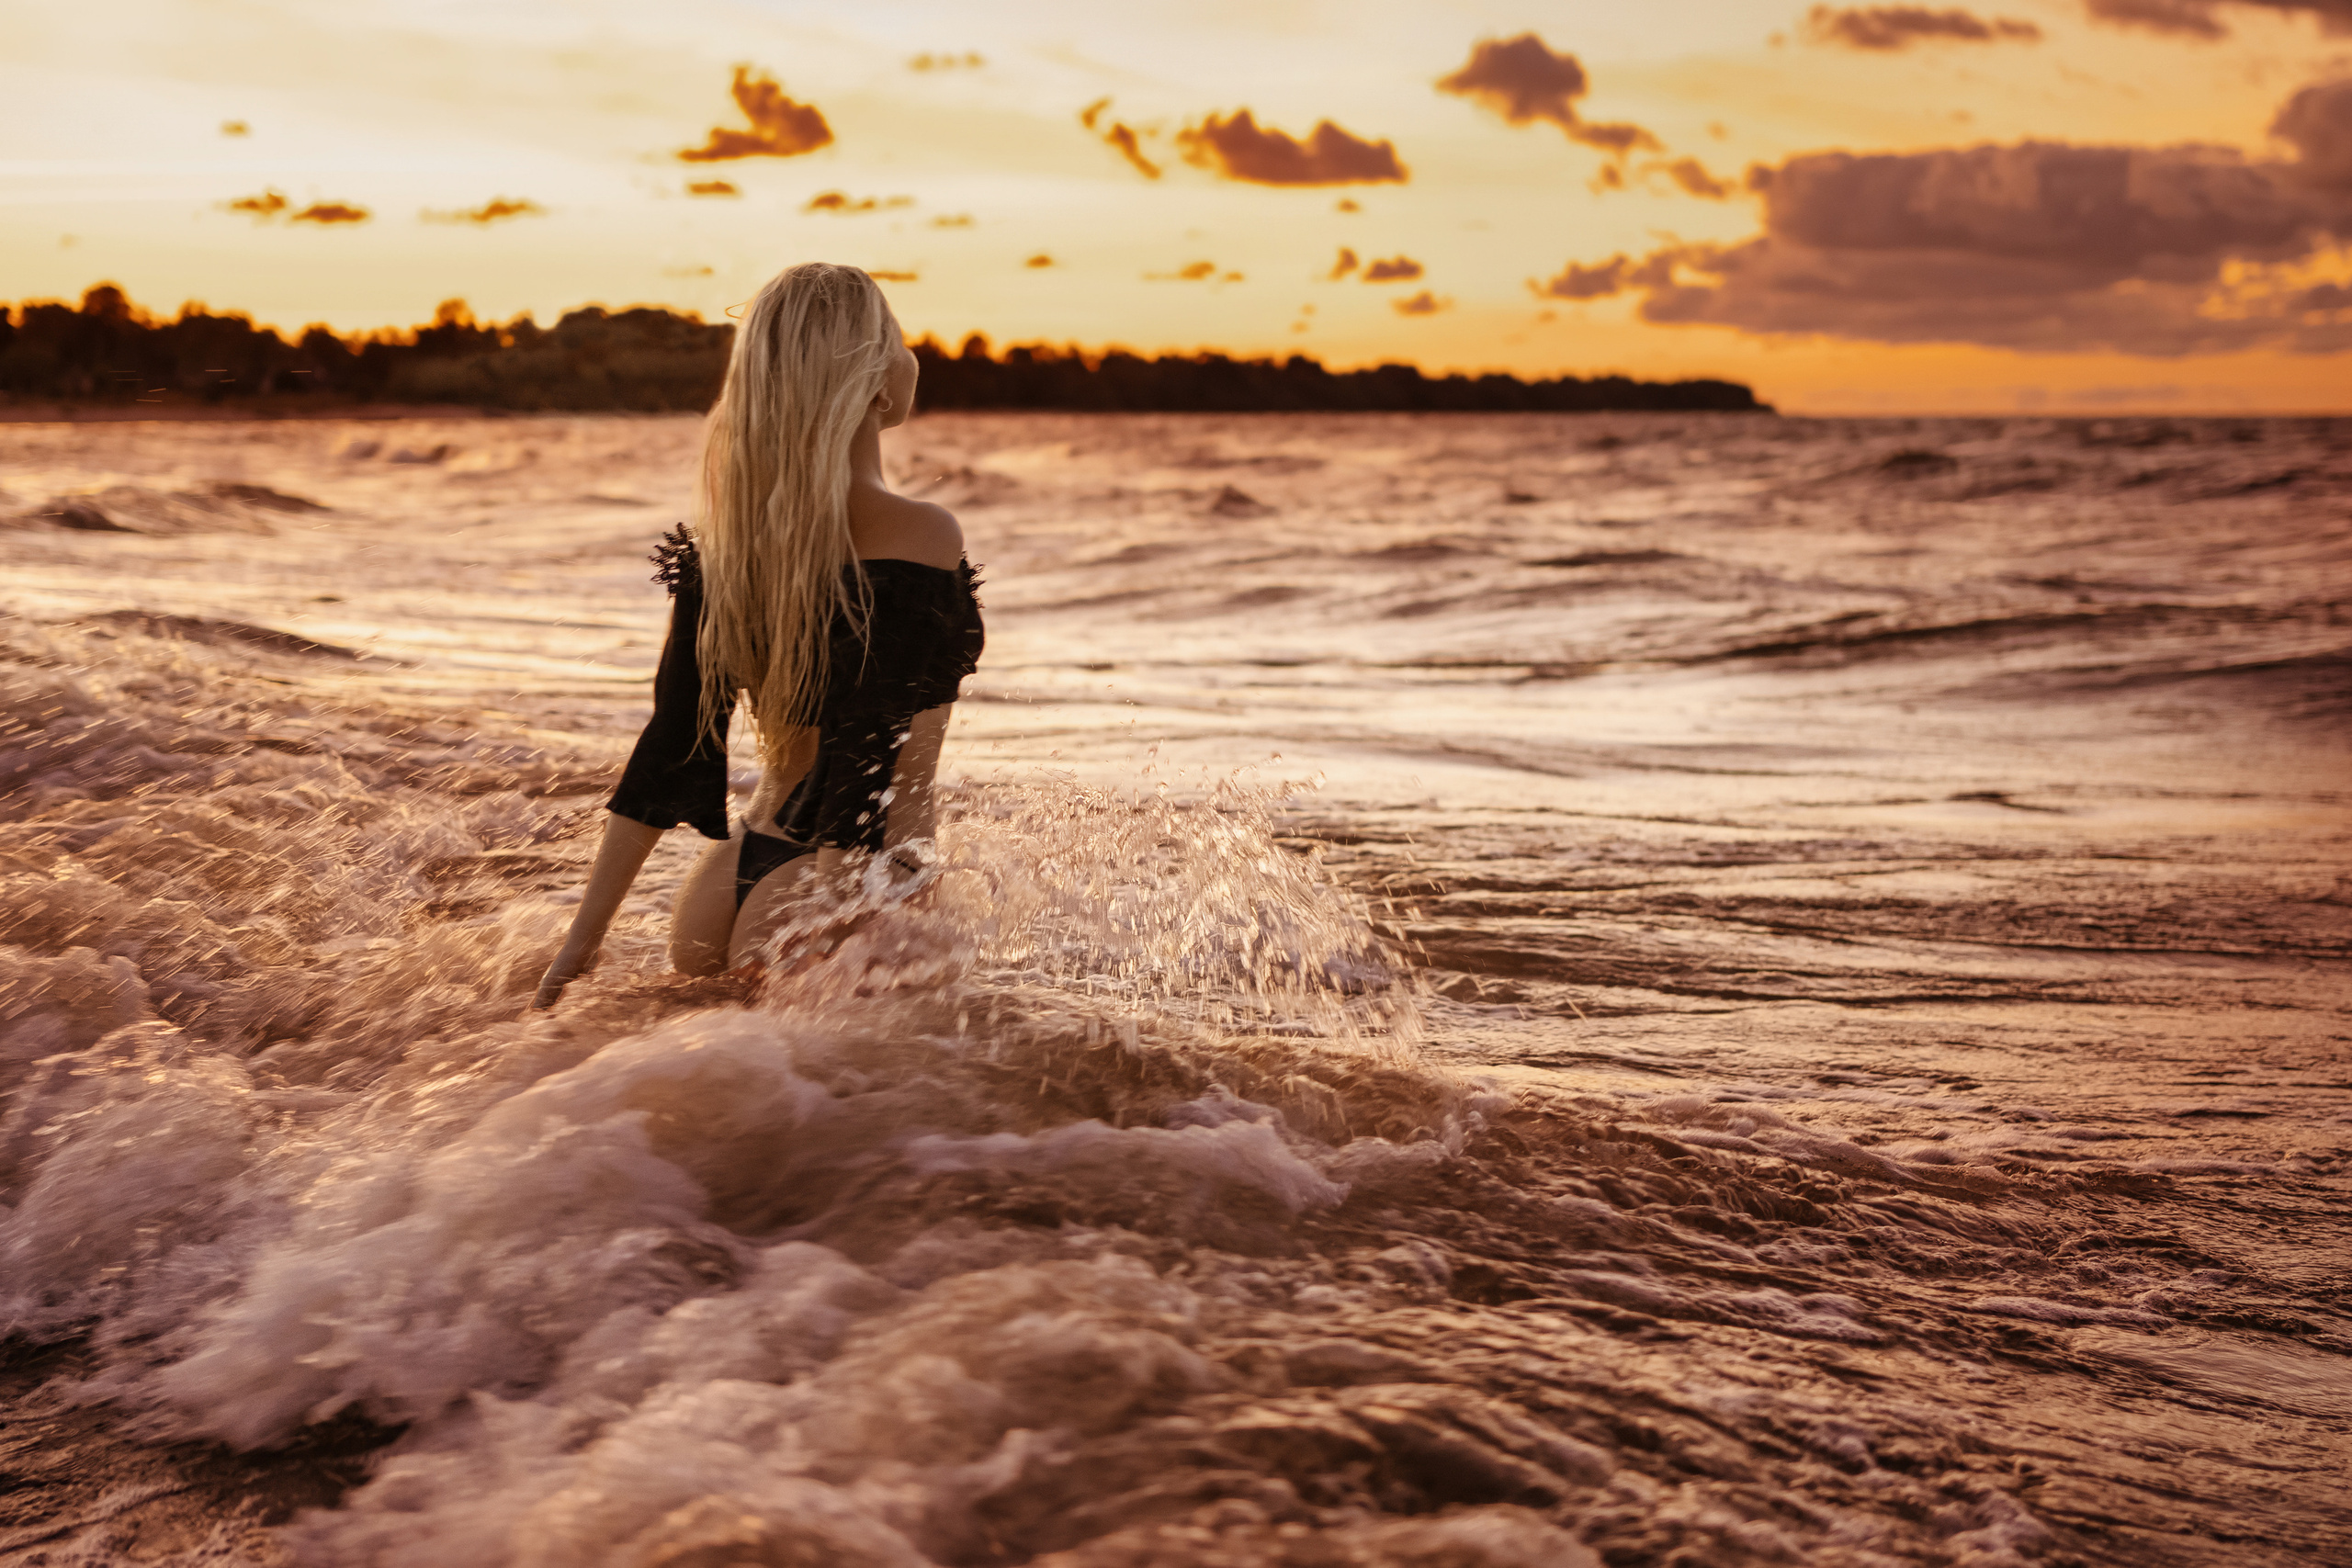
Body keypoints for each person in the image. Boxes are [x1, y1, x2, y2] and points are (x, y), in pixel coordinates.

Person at [533, 263, 982, 1010]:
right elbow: (870, 766)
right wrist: (864, 915)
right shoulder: (922, 533)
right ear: (873, 376)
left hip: (726, 879)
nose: (911, 355)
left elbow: (671, 745)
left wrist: (579, 947)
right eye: (897, 336)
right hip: (832, 883)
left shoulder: (734, 543)